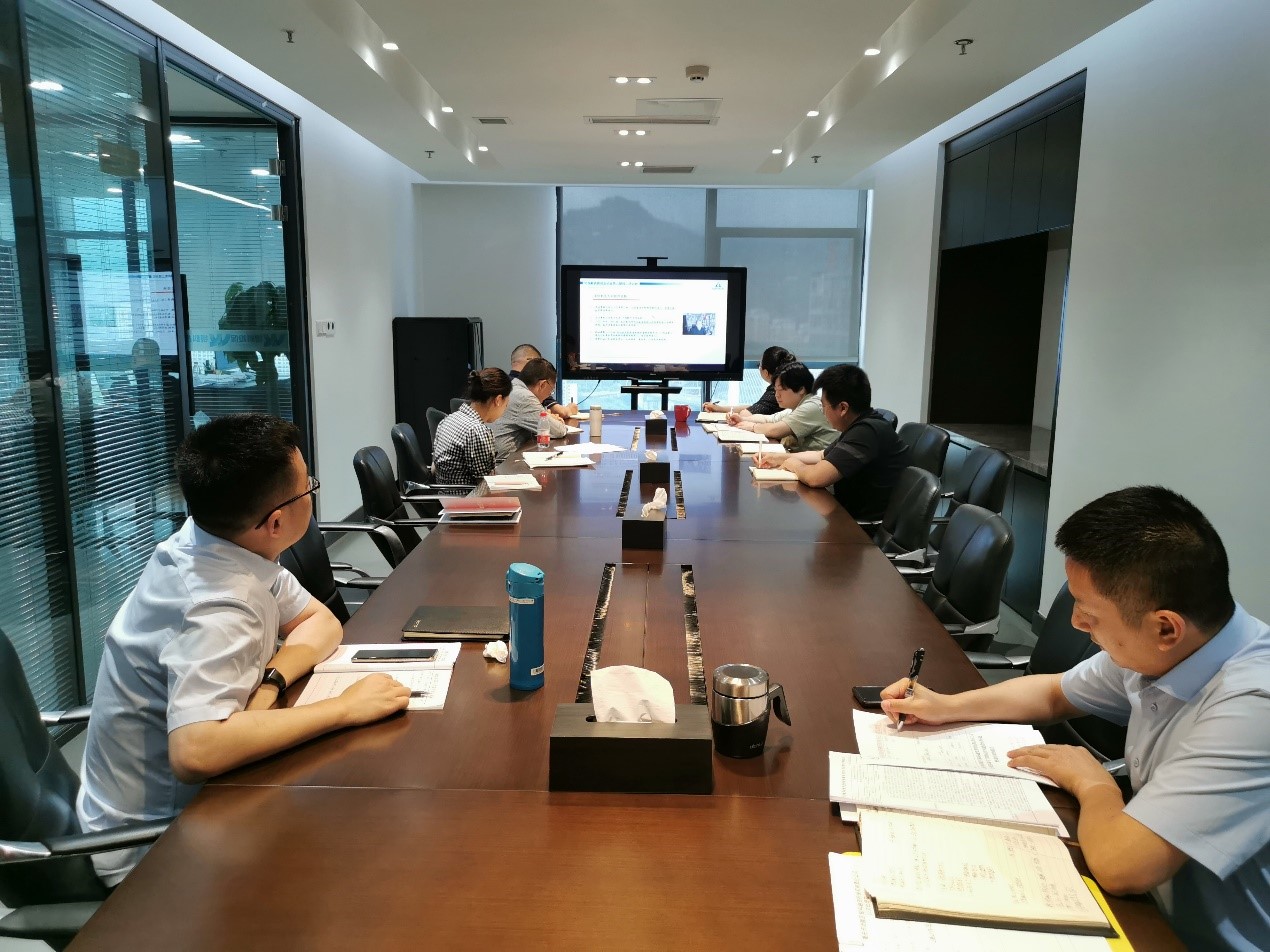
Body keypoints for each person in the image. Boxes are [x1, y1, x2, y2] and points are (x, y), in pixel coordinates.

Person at [881, 486, 1269, 950]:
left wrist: (1094, 784)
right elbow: (1052, 692)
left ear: (1165, 627)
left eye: (1088, 613)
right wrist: (946, 706)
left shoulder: (1253, 707)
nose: (1075, 624)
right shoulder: (1168, 648)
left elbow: (1123, 866)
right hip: (1152, 910)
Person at [76, 413, 411, 885]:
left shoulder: (219, 542)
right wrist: (345, 709)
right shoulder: (214, 605)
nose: (312, 494)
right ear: (275, 522)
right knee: (368, 861)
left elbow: (320, 622)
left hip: (210, 801)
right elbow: (196, 751)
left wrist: (271, 684)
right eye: (307, 488)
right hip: (152, 848)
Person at [759, 364, 908, 519]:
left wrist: (793, 464)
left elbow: (816, 477)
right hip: (846, 510)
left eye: (824, 406)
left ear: (843, 408)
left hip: (860, 525)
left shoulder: (866, 431)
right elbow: (821, 455)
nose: (823, 412)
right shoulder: (860, 424)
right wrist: (779, 458)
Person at [726, 361, 837, 452]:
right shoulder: (797, 406)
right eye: (775, 390)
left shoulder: (812, 406)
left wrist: (752, 426)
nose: (777, 395)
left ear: (801, 389)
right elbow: (768, 419)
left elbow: (776, 430)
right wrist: (742, 419)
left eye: (781, 389)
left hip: (819, 465)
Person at [432, 368, 512, 484]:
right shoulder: (477, 431)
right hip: (468, 494)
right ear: (498, 400)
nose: (504, 409)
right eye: (506, 405)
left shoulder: (448, 420)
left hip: (444, 492)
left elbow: (434, 467)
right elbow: (485, 483)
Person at [491, 356, 569, 458]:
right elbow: (558, 431)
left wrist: (548, 418)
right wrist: (556, 422)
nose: (549, 395)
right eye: (551, 391)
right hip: (505, 462)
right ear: (542, 385)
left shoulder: (514, 387)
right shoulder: (524, 397)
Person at [702, 345, 795, 416]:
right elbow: (755, 407)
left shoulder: (775, 391)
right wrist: (719, 408)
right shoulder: (788, 384)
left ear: (766, 372)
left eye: (759, 364)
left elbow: (748, 413)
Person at [509, 344, 578, 420]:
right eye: (538, 363)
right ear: (531, 362)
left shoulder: (505, 384)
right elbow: (561, 412)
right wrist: (570, 409)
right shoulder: (532, 387)